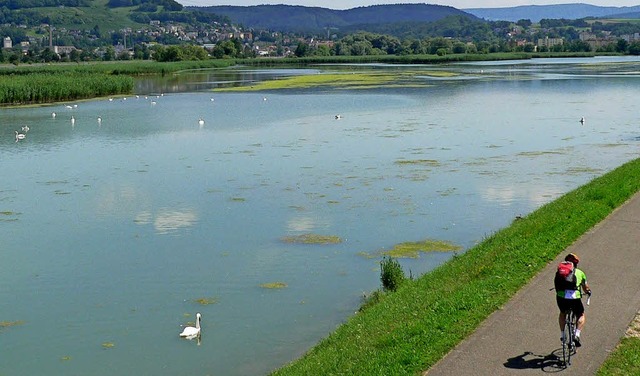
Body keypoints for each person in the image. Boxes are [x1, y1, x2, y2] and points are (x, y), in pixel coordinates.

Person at [555, 253, 591, 347]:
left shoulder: (560, 272)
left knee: (562, 313)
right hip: (574, 297)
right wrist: (588, 292)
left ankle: (563, 335)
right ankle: (577, 334)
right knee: (581, 314)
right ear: (576, 264)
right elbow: (585, 288)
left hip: (561, 296)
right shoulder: (580, 273)